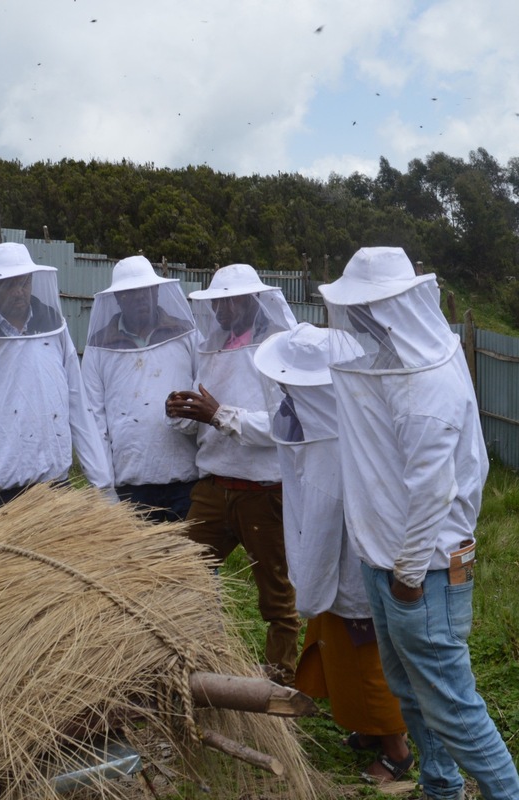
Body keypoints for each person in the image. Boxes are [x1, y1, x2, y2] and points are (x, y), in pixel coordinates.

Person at [321, 246, 519, 800]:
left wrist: (407, 577)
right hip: (386, 564)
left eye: (367, 309)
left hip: (423, 574)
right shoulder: (388, 362)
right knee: (409, 692)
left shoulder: (426, 384)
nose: (358, 320)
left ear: (393, 309)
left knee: (455, 708)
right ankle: (440, 787)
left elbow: (434, 490)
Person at [253, 323, 412, 784]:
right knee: (349, 653)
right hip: (360, 568)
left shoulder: (329, 451)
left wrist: (309, 591)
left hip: (348, 574)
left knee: (368, 663)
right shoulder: (345, 427)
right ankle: (368, 729)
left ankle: (395, 751)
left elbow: (321, 527)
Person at [164, 263, 300, 686]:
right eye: (216, 301)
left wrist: (219, 414)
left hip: (264, 490)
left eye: (230, 300)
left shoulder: (277, 350)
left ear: (252, 301)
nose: (222, 308)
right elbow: (200, 415)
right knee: (181, 577)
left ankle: (280, 686)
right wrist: (180, 411)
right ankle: (193, 666)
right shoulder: (211, 348)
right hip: (212, 487)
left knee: (276, 596)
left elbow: (286, 425)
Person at [0, 242, 114, 521]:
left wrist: (101, 479)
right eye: (10, 285)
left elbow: (76, 400)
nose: (19, 291)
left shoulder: (53, 326)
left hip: (56, 487)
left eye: (25, 282)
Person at [81, 255, 199, 522]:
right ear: (119, 298)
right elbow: (93, 420)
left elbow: (203, 392)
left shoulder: (185, 334)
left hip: (186, 481)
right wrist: (104, 488)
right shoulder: (99, 347)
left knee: (194, 563)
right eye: (131, 293)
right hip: (129, 488)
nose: (140, 298)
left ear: (156, 291)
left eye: (145, 291)